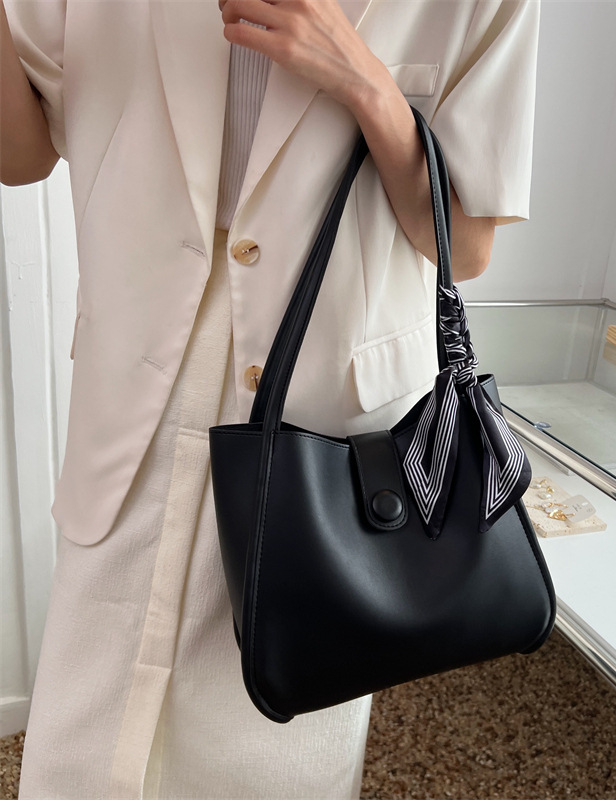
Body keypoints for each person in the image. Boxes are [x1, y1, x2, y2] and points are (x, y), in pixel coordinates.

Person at [1, 0, 540, 796]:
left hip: (320, 420)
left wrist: (364, 81)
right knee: (86, 748)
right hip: (139, 383)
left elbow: (465, 241)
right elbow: (18, 156)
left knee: (275, 744)